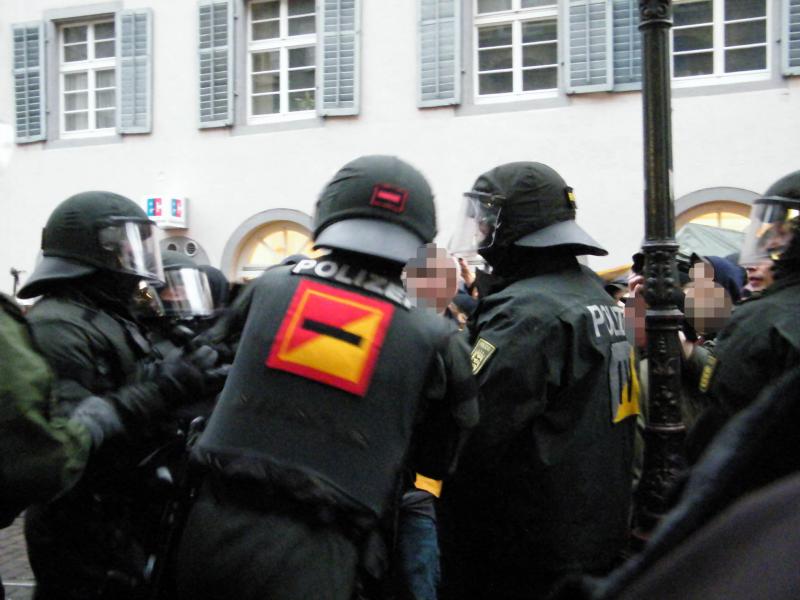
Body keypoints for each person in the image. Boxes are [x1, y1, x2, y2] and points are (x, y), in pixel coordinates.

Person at [174, 155, 479, 600]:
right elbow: (443, 456)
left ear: (330, 212)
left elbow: (193, 377)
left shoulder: (268, 288)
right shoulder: (436, 335)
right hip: (326, 550)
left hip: (207, 526)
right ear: (420, 234)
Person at [440, 161, 639, 599]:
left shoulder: (528, 313)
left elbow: (471, 430)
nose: (479, 231)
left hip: (526, 551)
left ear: (512, 227)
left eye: (488, 220)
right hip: (591, 534)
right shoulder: (593, 294)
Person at [16, 191, 222, 600]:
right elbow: (75, 437)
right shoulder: (58, 325)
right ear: (95, 251)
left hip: (122, 511)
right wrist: (166, 388)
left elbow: (132, 383)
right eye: (125, 245)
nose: (135, 259)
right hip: (82, 522)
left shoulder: (105, 315)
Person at [0, 292, 177, 600]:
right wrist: (112, 413)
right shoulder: (60, 321)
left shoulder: (101, 314)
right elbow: (40, 462)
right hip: (78, 514)